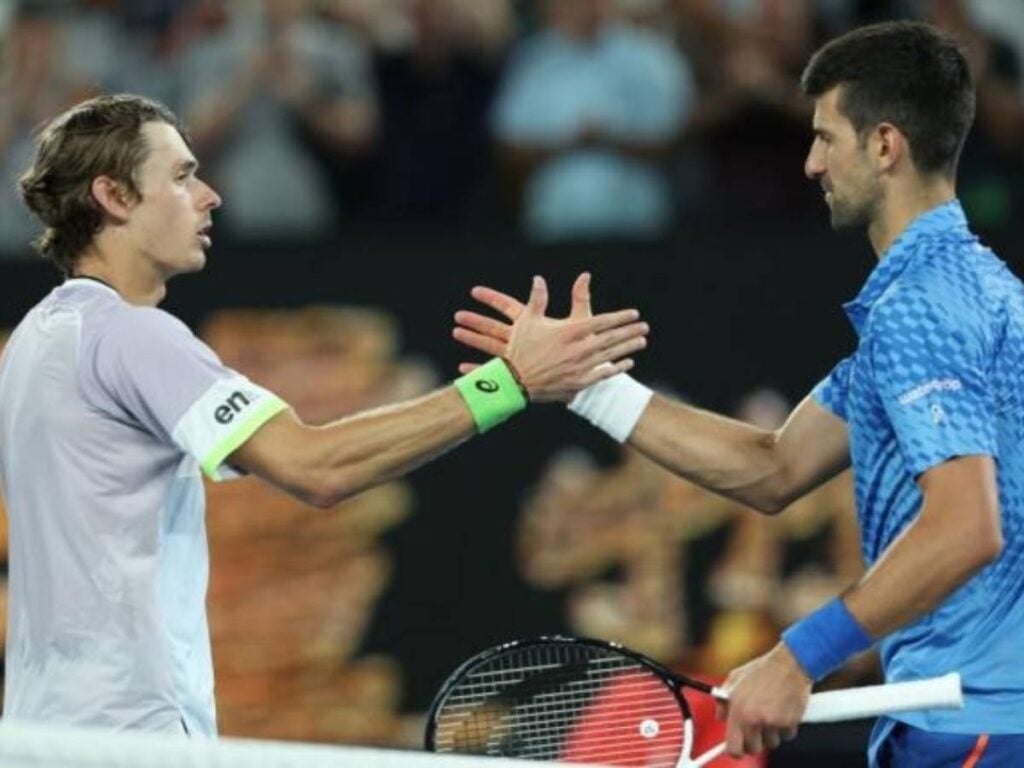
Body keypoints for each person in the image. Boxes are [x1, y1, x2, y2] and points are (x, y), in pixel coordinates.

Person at [454, 21, 1024, 766]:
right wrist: (589, 388)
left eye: (826, 138)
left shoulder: (922, 307)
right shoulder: (980, 292)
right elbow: (773, 467)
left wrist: (797, 658)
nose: (812, 163)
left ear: (885, 146)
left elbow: (965, 526)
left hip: (975, 730)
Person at [0, 93, 648, 736]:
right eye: (181, 175)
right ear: (114, 197)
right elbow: (315, 466)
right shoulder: (133, 336)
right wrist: (508, 383)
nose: (209, 195)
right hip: (128, 738)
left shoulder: (34, 342)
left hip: (45, 727)